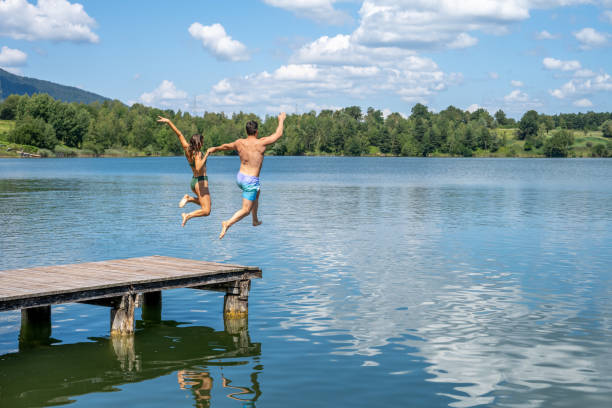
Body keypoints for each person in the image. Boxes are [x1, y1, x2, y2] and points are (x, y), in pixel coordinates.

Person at [207, 112, 286, 239]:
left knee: (257, 191)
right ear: (257, 132)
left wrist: (214, 148)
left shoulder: (239, 143)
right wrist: (281, 120)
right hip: (250, 180)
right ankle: (227, 223)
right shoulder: (261, 143)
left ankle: (255, 220)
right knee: (245, 210)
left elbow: (226, 146)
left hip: (240, 177)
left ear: (246, 131)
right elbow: (278, 134)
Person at [157, 116, 211, 227]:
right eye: (202, 142)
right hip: (200, 182)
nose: (203, 144)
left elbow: (179, 134)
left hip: (194, 182)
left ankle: (189, 198)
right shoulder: (198, 154)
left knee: (205, 204)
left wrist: (169, 121)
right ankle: (187, 215)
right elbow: (198, 167)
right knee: (206, 211)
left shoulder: (187, 149)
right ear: (199, 143)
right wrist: (207, 154)